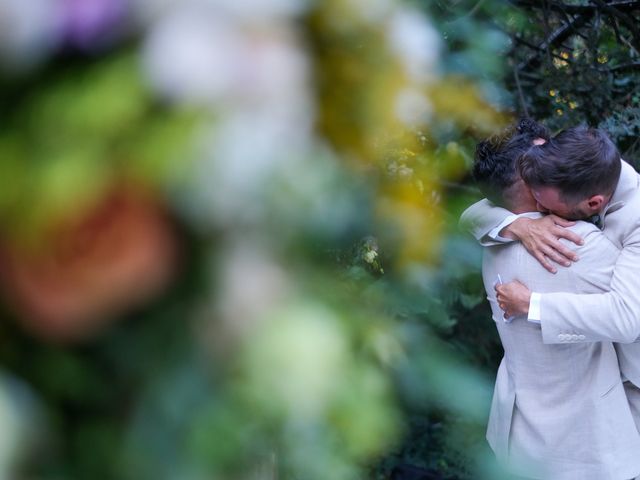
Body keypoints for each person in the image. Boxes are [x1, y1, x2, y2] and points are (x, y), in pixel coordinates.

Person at [470, 120, 640, 479]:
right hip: (590, 442)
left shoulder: (493, 246)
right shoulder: (581, 236)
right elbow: (473, 213)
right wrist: (519, 224)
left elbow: (627, 317)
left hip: (524, 434)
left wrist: (532, 303)